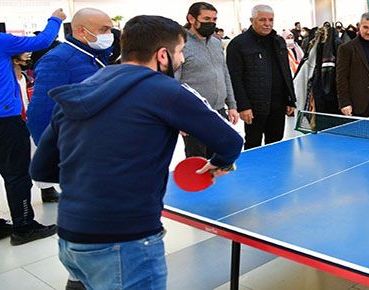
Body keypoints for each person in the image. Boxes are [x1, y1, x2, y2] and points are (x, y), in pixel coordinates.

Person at [30, 15, 244, 289]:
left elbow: (42, 169)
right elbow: (229, 141)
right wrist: (219, 163)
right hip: (125, 238)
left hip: (71, 236)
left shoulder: (81, 89)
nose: (181, 60)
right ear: (163, 55)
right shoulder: (168, 91)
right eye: (180, 52)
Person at [27, 8, 113, 203]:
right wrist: (57, 156)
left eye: (110, 29)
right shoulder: (58, 61)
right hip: (77, 150)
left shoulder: (96, 56)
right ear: (82, 31)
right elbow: (40, 114)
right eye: (104, 29)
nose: (109, 35)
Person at [0, 8, 65, 246]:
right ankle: (24, 226)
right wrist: (56, 19)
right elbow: (42, 41)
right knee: (17, 174)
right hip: (4, 119)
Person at [227, 5, 296, 150]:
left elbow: (285, 72)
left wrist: (290, 99)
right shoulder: (238, 44)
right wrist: (243, 106)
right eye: (262, 20)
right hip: (254, 106)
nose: (267, 23)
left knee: (277, 142)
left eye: (270, 20)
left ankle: (276, 171)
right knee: (253, 144)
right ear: (252, 20)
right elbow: (235, 78)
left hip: (278, 104)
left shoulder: (279, 41)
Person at [176, 2, 239, 159]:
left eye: (214, 19)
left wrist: (232, 105)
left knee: (218, 158)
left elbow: (224, 74)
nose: (211, 23)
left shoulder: (216, 42)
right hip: (194, 114)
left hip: (219, 111)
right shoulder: (179, 44)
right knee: (197, 160)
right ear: (191, 18)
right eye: (206, 18)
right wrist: (178, 117)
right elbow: (174, 82)